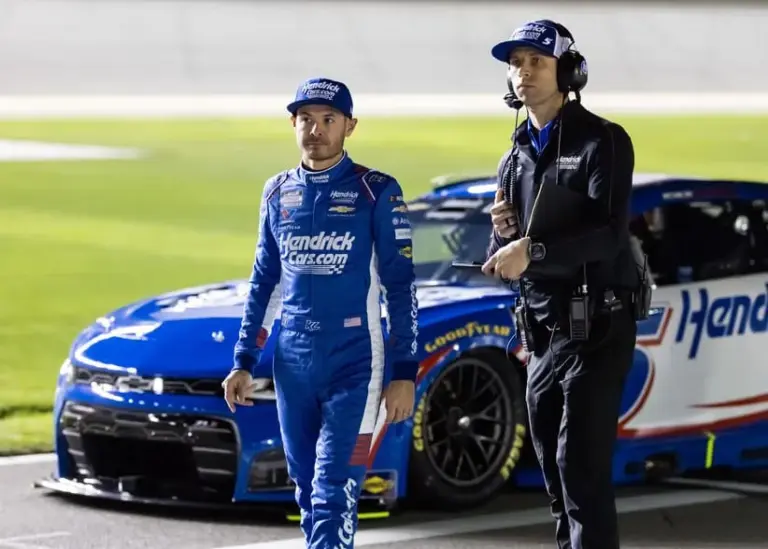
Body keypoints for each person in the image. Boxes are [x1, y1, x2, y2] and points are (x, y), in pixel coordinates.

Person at [221, 77, 419, 549]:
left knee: (335, 488)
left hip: (356, 361)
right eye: (306, 119)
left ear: (350, 126)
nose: (316, 130)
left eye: (328, 119)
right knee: (306, 488)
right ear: (292, 123)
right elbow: (264, 283)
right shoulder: (276, 193)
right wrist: (243, 361)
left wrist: (405, 371)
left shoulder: (378, 191)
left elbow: (400, 286)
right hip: (293, 361)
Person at [482, 19, 641, 549]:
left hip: (599, 325)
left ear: (568, 72)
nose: (523, 72)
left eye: (537, 62)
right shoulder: (512, 156)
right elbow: (508, 254)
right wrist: (503, 237)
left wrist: (534, 250)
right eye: (516, 63)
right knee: (551, 461)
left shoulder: (605, 141)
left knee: (580, 465)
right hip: (544, 332)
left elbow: (609, 235)